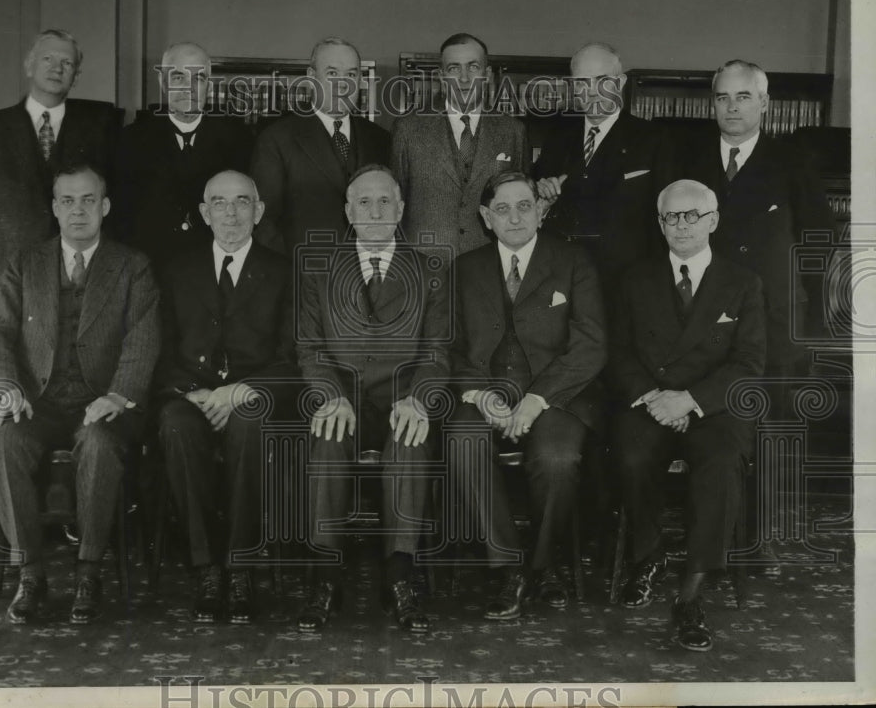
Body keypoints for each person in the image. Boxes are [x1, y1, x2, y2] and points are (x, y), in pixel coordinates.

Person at [0, 163, 160, 625]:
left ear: (104, 207)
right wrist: (6, 391)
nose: (77, 210)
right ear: (54, 208)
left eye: (87, 201)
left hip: (102, 401)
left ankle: (89, 571)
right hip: (37, 401)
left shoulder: (132, 265)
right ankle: (31, 574)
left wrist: (120, 395)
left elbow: (144, 336)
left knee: (100, 443)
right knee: (2, 442)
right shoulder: (26, 262)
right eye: (67, 201)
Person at [609, 179, 766, 652]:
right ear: (659, 224)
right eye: (670, 217)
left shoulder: (743, 282)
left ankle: (692, 592)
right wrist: (655, 397)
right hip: (651, 401)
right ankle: (648, 555)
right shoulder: (634, 279)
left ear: (712, 221)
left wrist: (691, 400)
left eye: (690, 216)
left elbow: (749, 364)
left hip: (712, 407)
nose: (680, 226)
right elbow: (618, 353)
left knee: (719, 465)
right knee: (632, 455)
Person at [295, 164, 450, 634]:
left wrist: (418, 399)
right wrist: (329, 396)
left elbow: (439, 351)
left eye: (386, 201)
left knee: (408, 438)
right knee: (326, 433)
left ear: (401, 209)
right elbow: (309, 347)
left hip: (401, 399)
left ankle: (399, 574)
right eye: (364, 202)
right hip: (344, 397)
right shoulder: (320, 269)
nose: (376, 210)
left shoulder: (431, 269)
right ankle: (325, 576)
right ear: (348, 211)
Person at [449, 171, 605, 619]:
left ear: (541, 209)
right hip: (485, 394)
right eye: (502, 208)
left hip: (557, 395)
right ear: (484, 217)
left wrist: (537, 399)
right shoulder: (464, 269)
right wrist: (478, 394)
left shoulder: (574, 262)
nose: (514, 217)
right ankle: (506, 567)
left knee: (557, 459)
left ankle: (543, 565)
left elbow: (591, 344)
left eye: (524, 206)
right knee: (463, 441)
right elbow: (448, 347)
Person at [156, 170, 296, 625]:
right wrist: (193, 392)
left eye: (241, 202)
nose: (230, 213)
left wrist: (243, 390)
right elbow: (159, 347)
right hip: (192, 394)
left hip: (255, 394)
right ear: (204, 213)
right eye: (219, 202)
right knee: (175, 425)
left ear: (258, 211)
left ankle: (240, 565)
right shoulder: (176, 269)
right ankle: (206, 566)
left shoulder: (284, 271)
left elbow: (292, 355)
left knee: (250, 423)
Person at [668, 59, 834, 383]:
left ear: (764, 102)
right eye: (722, 97)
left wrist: (813, 316)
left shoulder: (794, 161)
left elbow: (820, 239)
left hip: (774, 316)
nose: (731, 107)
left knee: (772, 421)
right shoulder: (685, 158)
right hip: (704, 312)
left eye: (743, 96)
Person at [0, 29, 121, 317]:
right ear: (29, 66)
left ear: (76, 76)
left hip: (69, 277)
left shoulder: (96, 129)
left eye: (67, 63)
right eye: (47, 58)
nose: (56, 68)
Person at [534, 42, 669, 293]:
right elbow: (535, 203)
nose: (592, 91)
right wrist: (541, 194)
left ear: (620, 83)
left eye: (602, 81)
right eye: (582, 82)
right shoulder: (557, 138)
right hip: (564, 281)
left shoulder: (654, 139)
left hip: (627, 284)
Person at [112, 42, 251, 270]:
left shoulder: (239, 140)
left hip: (213, 271)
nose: (189, 88)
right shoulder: (130, 141)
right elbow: (121, 220)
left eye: (199, 78)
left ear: (209, 85)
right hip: (149, 271)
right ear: (163, 83)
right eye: (179, 78)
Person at [392, 33, 531, 256]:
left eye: (473, 67)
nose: (464, 78)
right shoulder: (408, 129)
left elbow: (523, 205)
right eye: (454, 68)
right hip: (425, 265)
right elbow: (394, 205)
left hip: (489, 266)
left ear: (486, 75)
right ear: (441, 76)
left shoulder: (512, 131)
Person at [250, 37, 390, 255]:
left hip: (367, 275)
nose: (342, 84)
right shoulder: (277, 138)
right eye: (332, 73)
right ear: (311, 77)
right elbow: (264, 223)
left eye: (351, 75)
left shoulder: (380, 138)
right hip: (302, 277)